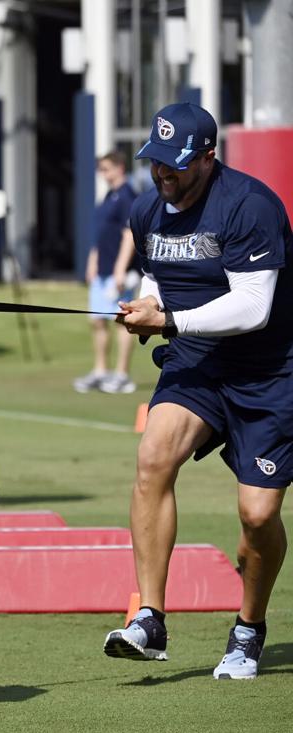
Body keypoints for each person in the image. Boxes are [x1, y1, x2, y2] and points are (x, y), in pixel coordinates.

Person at [105, 102, 292, 679]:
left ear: (208, 158)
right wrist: (148, 304)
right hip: (198, 361)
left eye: (176, 166)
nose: (164, 176)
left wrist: (170, 321)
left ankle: (248, 628)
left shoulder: (251, 206)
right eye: (156, 164)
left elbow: (254, 307)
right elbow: (160, 274)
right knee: (153, 456)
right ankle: (150, 618)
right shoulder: (147, 211)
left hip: (270, 370)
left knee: (257, 516)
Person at [74, 151, 139, 394]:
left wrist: (120, 270)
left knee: (121, 322)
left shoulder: (127, 196)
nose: (103, 174)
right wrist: (93, 261)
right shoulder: (108, 196)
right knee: (97, 320)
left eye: (106, 169)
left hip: (118, 272)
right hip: (101, 272)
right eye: (101, 169)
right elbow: (100, 234)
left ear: (120, 168)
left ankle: (121, 374)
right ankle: (101, 371)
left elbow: (129, 234)